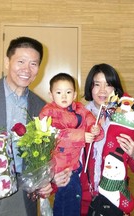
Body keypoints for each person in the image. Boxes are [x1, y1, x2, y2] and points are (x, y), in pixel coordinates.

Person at [0, 36, 71, 216]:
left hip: (21, 195)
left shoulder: (42, 108)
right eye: (21, 61)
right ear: (7, 62)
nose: (26, 69)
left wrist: (47, 182)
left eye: (33, 64)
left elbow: (46, 156)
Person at [80, 63, 134, 215]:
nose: (102, 90)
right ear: (90, 88)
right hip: (82, 198)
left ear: (116, 89)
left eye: (108, 85)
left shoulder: (126, 121)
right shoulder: (78, 117)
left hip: (114, 198)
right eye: (97, 84)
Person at [39, 73, 104, 216]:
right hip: (57, 168)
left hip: (74, 167)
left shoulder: (80, 110)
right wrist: (81, 136)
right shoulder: (48, 112)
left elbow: (91, 123)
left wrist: (95, 129)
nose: (64, 96)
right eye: (59, 92)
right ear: (51, 95)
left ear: (74, 94)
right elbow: (52, 134)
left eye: (68, 92)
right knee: (65, 202)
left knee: (73, 200)